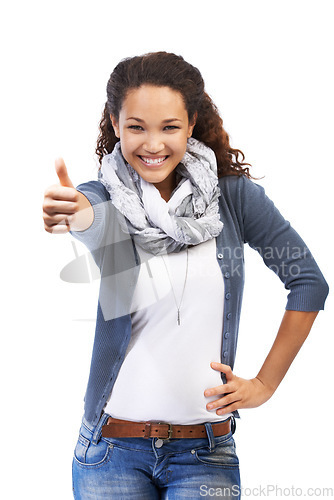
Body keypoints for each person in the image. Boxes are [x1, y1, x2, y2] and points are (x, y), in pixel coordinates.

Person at [43, 51, 329, 499]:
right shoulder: (104, 197)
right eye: (136, 127)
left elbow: (308, 281)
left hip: (205, 453)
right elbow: (93, 220)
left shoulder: (233, 199)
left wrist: (265, 385)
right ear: (115, 125)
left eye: (169, 127)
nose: (152, 144)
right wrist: (73, 215)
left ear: (191, 123)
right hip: (108, 452)